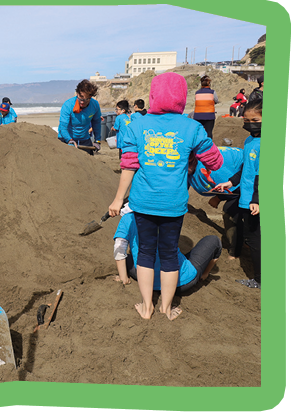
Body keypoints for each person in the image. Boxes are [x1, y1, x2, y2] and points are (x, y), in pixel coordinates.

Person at [108, 72, 223, 321]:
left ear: (153, 96)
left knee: (146, 252)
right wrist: (192, 156)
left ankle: (147, 307)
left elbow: (128, 166)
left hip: (142, 202)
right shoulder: (192, 127)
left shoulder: (136, 125)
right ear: (182, 97)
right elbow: (215, 161)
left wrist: (118, 200)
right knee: (169, 253)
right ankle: (166, 309)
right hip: (173, 204)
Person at [113, 209, 220, 294]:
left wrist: (124, 278)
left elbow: (119, 248)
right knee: (214, 240)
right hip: (180, 283)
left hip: (144, 279)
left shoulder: (128, 218)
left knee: (128, 257)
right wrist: (205, 273)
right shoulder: (167, 214)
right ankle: (205, 275)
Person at [214, 98, 262, 289]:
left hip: (255, 200)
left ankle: (259, 279)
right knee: (249, 235)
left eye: (255, 121)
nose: (249, 124)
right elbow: (246, 168)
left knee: (256, 239)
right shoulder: (250, 140)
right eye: (246, 120)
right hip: (246, 197)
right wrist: (230, 182)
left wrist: (256, 200)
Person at [57, 79, 102, 153]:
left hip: (84, 138)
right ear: (77, 93)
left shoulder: (95, 105)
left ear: (90, 97)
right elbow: (63, 126)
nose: (82, 102)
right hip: (66, 138)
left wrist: (97, 141)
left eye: (85, 99)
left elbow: (96, 123)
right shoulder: (68, 105)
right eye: (80, 97)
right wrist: (69, 140)